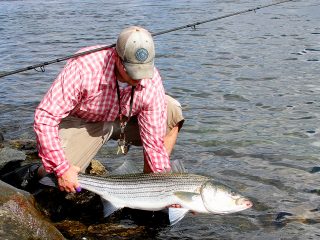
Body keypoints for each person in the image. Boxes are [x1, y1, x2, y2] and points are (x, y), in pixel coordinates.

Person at [33, 26, 184, 193]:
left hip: (124, 120)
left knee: (171, 109)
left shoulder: (151, 79)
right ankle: (35, 169)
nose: (138, 78)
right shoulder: (84, 67)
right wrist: (62, 168)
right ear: (117, 58)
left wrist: (167, 187)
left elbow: (154, 144)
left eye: (143, 71)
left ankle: (149, 186)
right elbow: (45, 117)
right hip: (83, 123)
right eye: (132, 71)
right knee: (51, 176)